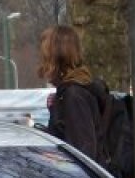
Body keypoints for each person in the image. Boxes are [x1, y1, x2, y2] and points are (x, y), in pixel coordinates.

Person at [36, 24, 101, 160]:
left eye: (45, 57)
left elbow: (84, 156)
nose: (42, 63)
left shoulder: (73, 96)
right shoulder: (72, 92)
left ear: (56, 59)